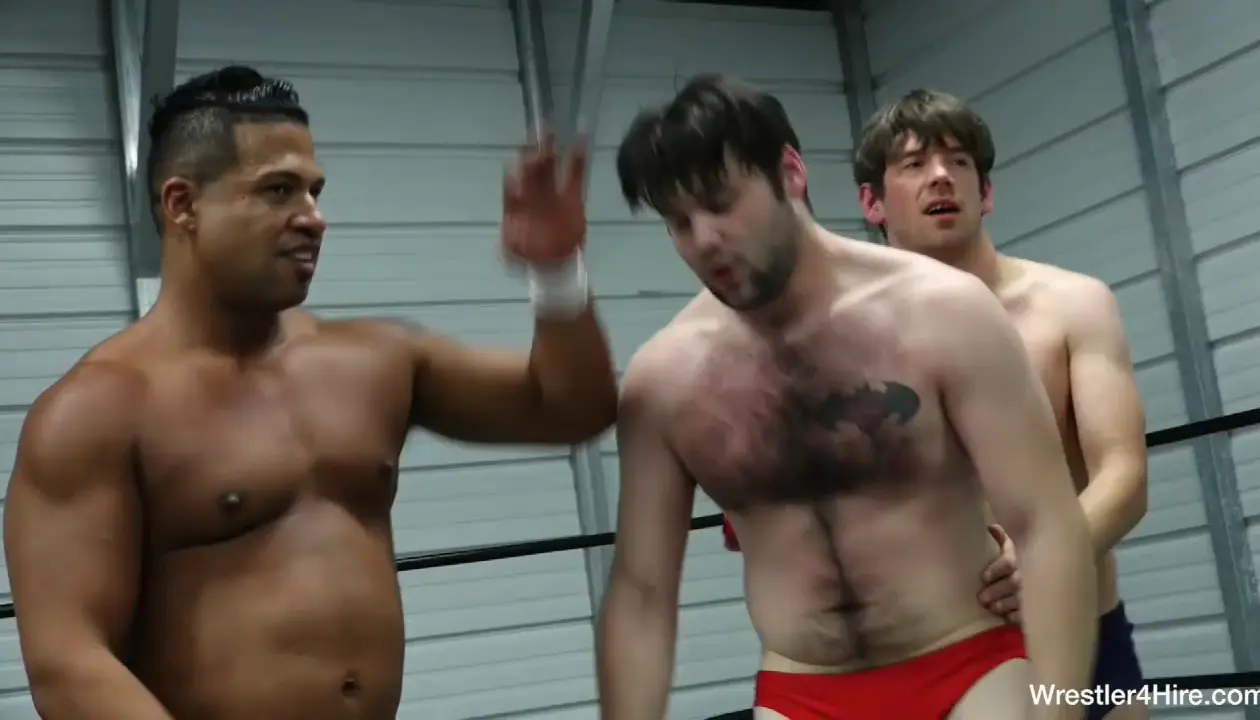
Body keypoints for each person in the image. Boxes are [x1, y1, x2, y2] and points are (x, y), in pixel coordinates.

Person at [3, 65, 618, 720]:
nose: (314, 219)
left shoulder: (374, 361)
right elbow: (69, 665)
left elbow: (572, 409)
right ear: (183, 205)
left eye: (314, 192)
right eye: (278, 191)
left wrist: (557, 271)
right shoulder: (98, 410)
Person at [596, 73, 1097, 720]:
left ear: (790, 172)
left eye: (721, 202)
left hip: (966, 661)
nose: (704, 240)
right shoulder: (664, 381)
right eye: (679, 222)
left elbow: (1045, 525)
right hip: (802, 690)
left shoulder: (942, 312)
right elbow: (642, 594)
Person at [854, 88, 1150, 720]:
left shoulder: (1072, 305)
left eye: (959, 162)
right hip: (936, 653)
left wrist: (1047, 559)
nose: (940, 176)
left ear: (985, 193)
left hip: (1077, 627)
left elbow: (1123, 475)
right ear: (871, 202)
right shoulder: (852, 343)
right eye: (914, 164)